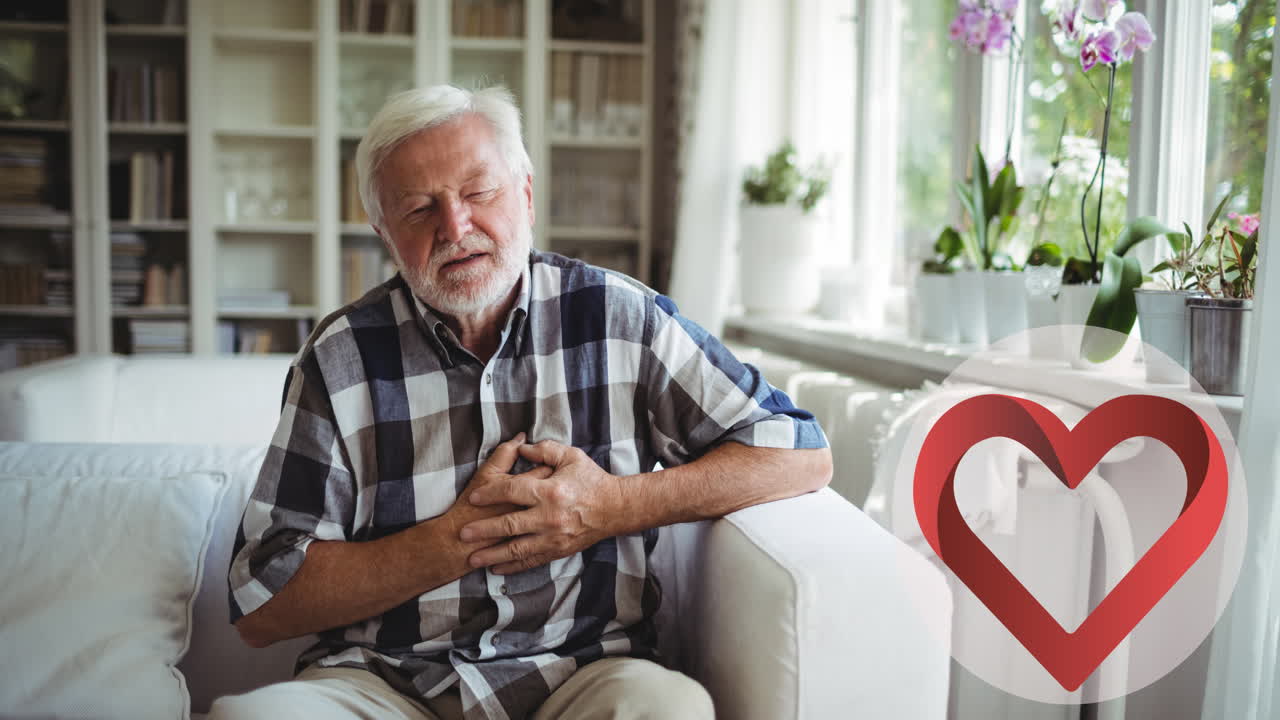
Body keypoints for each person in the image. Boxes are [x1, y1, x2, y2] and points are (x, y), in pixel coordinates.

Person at [212, 84, 831, 720]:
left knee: (669, 709)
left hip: (582, 676)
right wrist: (453, 543)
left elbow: (799, 451)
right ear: (385, 235)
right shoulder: (338, 355)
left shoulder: (618, 316)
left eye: (479, 192)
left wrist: (613, 506)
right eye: (420, 208)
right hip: (385, 686)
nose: (456, 227)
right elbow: (262, 603)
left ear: (526, 194)